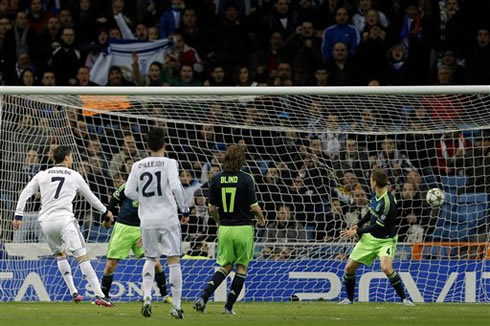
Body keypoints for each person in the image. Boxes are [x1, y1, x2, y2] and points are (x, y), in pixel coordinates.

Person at [12, 146, 113, 307]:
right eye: (71, 157)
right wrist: (105, 211)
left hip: (45, 222)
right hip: (65, 220)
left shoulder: (42, 174)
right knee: (82, 257)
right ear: (66, 158)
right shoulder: (74, 175)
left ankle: (73, 291)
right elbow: (91, 197)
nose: (72, 159)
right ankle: (101, 295)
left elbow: (25, 192)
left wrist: (18, 215)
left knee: (60, 255)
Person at [125, 127, 189, 319]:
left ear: (147, 146)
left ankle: (146, 298)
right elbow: (176, 186)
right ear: (164, 144)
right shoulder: (169, 162)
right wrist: (184, 208)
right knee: (173, 260)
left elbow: (128, 192)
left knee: (150, 259)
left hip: (147, 220)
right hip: (168, 218)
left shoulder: (138, 165)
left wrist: (144, 200)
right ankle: (176, 306)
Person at [193, 144, 265, 314]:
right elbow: (254, 207)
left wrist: (219, 221)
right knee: (241, 267)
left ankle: (203, 296)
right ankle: (228, 307)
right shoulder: (247, 178)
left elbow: (211, 208)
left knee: (225, 266)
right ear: (242, 160)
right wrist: (261, 218)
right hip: (243, 228)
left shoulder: (216, 179)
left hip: (225, 229)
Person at [339, 168, 414, 306]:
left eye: (370, 180)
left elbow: (378, 226)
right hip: (370, 239)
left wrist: (358, 231)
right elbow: (370, 212)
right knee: (349, 268)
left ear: (374, 182)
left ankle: (404, 299)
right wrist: (358, 224)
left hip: (385, 240)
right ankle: (349, 300)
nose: (369, 182)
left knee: (386, 268)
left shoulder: (388, 203)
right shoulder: (375, 195)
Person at [100, 182, 172, 304]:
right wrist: (107, 217)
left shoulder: (153, 189)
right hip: (123, 228)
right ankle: (103, 297)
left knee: (155, 263)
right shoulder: (127, 185)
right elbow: (113, 200)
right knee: (111, 264)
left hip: (143, 228)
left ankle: (165, 296)